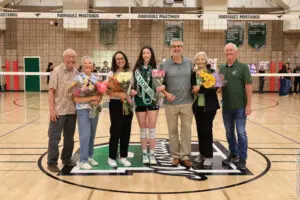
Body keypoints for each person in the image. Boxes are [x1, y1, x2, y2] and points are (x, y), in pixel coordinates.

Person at [161, 38, 193, 167]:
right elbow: (159, 83)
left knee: (186, 131)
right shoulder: (164, 65)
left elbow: (196, 80)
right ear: (171, 49)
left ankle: (185, 156)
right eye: (174, 46)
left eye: (179, 46)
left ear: (182, 48)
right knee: (172, 131)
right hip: (170, 104)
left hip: (187, 103)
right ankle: (175, 156)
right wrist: (165, 94)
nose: (176, 48)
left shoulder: (190, 63)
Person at [220, 43, 252, 170]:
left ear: (236, 52)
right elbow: (219, 87)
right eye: (227, 50)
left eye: (231, 50)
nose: (229, 52)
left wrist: (248, 105)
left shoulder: (243, 67)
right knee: (229, 132)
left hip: (240, 107)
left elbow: (248, 87)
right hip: (226, 107)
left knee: (241, 132)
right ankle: (233, 154)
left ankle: (242, 158)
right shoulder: (222, 68)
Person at [47, 48, 79, 173]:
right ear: (64, 57)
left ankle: (66, 159)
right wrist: (52, 110)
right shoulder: (56, 71)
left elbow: (78, 91)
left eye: (73, 57)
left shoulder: (76, 73)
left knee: (69, 138)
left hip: (72, 111)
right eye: (68, 57)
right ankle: (51, 162)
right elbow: (51, 92)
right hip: (59, 111)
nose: (71, 59)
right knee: (54, 137)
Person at [131, 46, 163, 165]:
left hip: (153, 101)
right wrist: (131, 90)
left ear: (151, 54)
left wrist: (162, 87)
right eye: (143, 52)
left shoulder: (156, 68)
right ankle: (145, 153)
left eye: (148, 52)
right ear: (141, 55)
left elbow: (161, 83)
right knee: (143, 130)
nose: (145, 54)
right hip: (139, 101)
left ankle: (152, 154)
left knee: (152, 130)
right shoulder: (136, 69)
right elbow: (132, 85)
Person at [73, 56, 102, 170]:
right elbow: (75, 98)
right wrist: (90, 97)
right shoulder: (78, 78)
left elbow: (100, 94)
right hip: (83, 109)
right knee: (85, 135)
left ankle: (90, 156)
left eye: (90, 63)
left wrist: (98, 99)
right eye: (85, 63)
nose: (88, 65)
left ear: (93, 65)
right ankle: (82, 160)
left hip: (94, 109)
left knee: (92, 134)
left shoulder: (96, 78)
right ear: (82, 65)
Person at [191, 51, 220, 169]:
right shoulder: (193, 74)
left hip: (209, 106)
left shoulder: (212, 73)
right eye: (198, 59)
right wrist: (195, 89)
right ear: (195, 61)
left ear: (206, 61)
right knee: (200, 130)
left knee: (207, 130)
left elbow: (216, 87)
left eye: (202, 59)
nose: (200, 61)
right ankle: (202, 153)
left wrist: (200, 88)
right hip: (198, 106)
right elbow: (192, 88)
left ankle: (209, 156)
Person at [106, 51, 133, 168]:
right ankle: (111, 157)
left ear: (125, 59)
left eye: (121, 58)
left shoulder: (130, 73)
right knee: (115, 130)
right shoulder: (111, 74)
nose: (120, 60)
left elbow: (132, 89)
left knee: (126, 131)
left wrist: (131, 93)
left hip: (128, 104)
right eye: (117, 59)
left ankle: (123, 156)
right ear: (114, 61)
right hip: (116, 104)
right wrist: (119, 95)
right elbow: (107, 91)